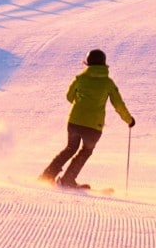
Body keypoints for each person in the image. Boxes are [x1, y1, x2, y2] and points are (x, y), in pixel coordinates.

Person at [39, 49, 134, 190]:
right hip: (93, 126)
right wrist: (129, 120)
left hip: (74, 122)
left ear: (87, 63)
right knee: (86, 151)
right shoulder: (108, 83)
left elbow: (69, 96)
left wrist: (81, 104)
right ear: (104, 64)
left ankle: (47, 176)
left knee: (70, 148)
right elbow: (118, 104)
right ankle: (67, 180)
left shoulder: (80, 78)